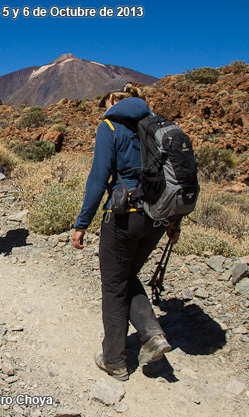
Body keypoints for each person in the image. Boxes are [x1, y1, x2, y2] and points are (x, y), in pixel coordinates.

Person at [71, 80, 179, 381]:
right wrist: (174, 223)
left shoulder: (110, 125)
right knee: (126, 276)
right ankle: (152, 336)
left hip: (124, 215)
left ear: (110, 100)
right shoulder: (157, 126)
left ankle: (114, 360)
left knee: (114, 284)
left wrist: (81, 224)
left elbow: (98, 178)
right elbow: (175, 177)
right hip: (158, 217)